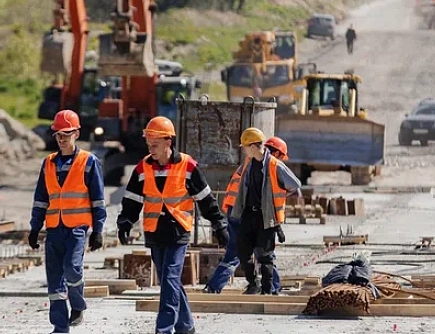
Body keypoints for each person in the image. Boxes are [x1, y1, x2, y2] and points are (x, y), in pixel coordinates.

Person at [117, 116, 229, 334]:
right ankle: (186, 326)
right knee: (170, 282)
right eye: (148, 143)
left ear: (168, 141)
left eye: (155, 144)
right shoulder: (142, 168)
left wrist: (219, 224)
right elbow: (132, 200)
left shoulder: (188, 166)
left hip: (178, 231)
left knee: (169, 279)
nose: (150, 148)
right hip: (154, 232)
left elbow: (205, 199)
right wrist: (125, 222)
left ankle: (164, 329)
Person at [29, 109, 107, 333]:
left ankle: (78, 304)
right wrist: (35, 228)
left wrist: (98, 230)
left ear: (76, 134)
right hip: (54, 229)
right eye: (58, 134)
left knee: (72, 269)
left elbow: (98, 200)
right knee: (54, 280)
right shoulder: (48, 163)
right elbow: (41, 199)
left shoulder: (89, 162)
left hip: (76, 229)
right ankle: (60, 327)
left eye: (66, 134)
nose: (61, 139)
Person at [204, 136, 290, 294]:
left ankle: (265, 286)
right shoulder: (259, 165)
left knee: (256, 251)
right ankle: (268, 287)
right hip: (241, 211)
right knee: (249, 251)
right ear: (275, 152)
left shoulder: (253, 163)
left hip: (237, 209)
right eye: (280, 157)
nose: (280, 161)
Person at [230, 127, 302, 295]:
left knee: (265, 255)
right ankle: (253, 283)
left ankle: (267, 289)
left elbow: (295, 184)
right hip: (248, 213)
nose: (244, 150)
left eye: (245, 147)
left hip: (266, 216)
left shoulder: (274, 165)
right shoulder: (248, 163)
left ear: (253, 146)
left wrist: (277, 196)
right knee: (243, 251)